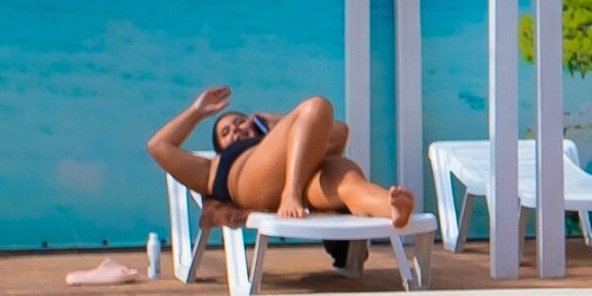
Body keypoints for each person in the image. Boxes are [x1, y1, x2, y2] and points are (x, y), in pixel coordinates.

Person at [144, 85, 413, 230]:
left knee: (346, 179)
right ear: (220, 148)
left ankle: (392, 210)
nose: (235, 130)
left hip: (304, 181)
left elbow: (339, 134)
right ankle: (291, 191)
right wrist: (197, 111)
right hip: (253, 183)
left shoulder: (279, 142)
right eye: (225, 133)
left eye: (239, 123)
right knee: (317, 105)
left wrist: (276, 121)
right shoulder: (211, 167)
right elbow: (158, 146)